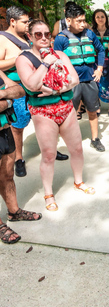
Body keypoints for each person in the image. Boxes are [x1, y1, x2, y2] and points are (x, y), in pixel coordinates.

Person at [16, 20, 95, 211]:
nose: (44, 38)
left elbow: (74, 79)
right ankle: (48, 194)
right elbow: (32, 85)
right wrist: (45, 63)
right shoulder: (24, 59)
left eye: (46, 34)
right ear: (30, 36)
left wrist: (53, 91)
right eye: (38, 34)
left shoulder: (59, 54)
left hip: (66, 107)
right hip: (43, 112)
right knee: (49, 155)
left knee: (76, 149)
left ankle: (78, 182)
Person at [0, 6, 68, 178]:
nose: (27, 24)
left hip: (37, 85)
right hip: (17, 89)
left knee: (44, 119)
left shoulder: (26, 37)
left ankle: (50, 150)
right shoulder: (2, 39)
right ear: (12, 22)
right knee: (18, 126)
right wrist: (18, 58)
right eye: (24, 22)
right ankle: (19, 159)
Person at [54, 4, 106, 152]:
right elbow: (55, 61)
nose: (83, 24)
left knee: (93, 110)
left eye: (84, 20)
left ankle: (95, 139)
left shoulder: (90, 34)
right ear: (69, 21)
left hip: (90, 80)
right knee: (69, 113)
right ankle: (70, 142)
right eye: (79, 21)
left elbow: (101, 50)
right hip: (71, 83)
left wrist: (100, 68)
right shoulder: (61, 38)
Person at [0, 71, 42, 244]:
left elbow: (19, 90)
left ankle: (14, 212)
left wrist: (3, 95)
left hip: (4, 130)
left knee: (7, 175)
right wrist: (7, 100)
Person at [92, 9, 109, 119]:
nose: (100, 19)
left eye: (102, 16)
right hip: (95, 61)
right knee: (96, 84)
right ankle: (97, 106)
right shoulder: (91, 32)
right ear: (94, 19)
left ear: (106, 18)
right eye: (98, 17)